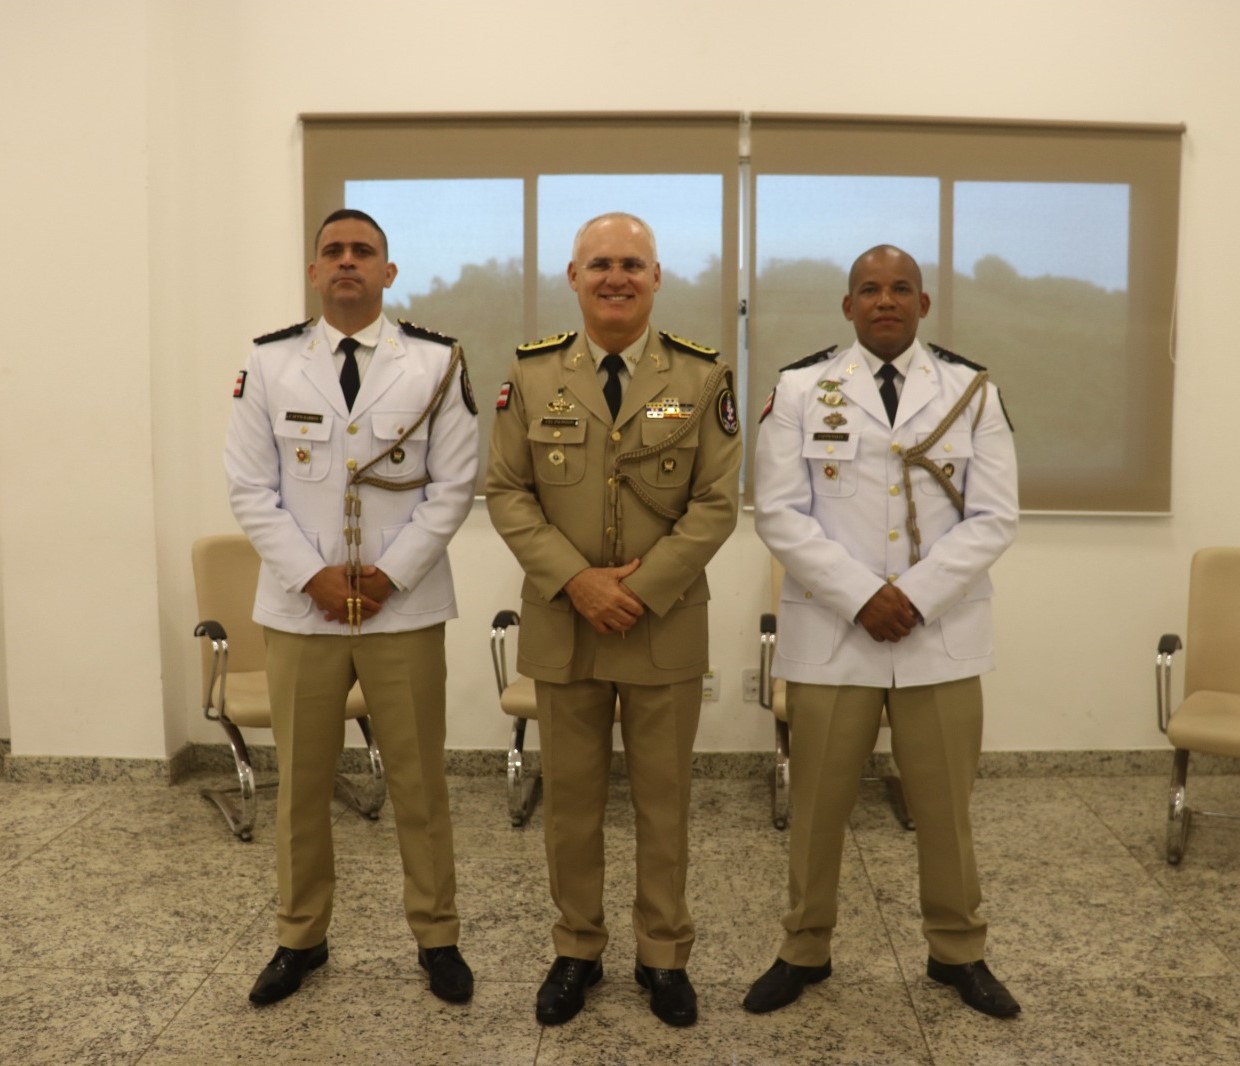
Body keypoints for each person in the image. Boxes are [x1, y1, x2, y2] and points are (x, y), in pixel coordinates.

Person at [745, 244, 1020, 1019]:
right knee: (817, 809)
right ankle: (803, 949)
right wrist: (864, 596)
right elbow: (778, 513)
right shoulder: (801, 389)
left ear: (923, 304)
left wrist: (915, 597)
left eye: (901, 288)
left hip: (939, 637)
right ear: (848, 306)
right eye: (869, 289)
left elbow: (995, 516)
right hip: (836, 636)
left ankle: (957, 951)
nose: (885, 300)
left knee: (947, 810)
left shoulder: (971, 390)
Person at [485, 212, 741, 1028]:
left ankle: (664, 956)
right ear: (574, 277)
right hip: (566, 625)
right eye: (600, 264)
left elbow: (717, 503)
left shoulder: (702, 375)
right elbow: (507, 492)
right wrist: (579, 583)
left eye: (633, 263)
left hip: (663, 624)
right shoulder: (531, 375)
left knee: (664, 804)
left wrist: (641, 587)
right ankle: (577, 949)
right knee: (571, 803)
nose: (616, 277)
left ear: (657, 278)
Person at [224, 208, 478, 1007]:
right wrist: (316, 577)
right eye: (332, 251)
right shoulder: (270, 363)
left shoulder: (436, 362)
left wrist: (388, 576)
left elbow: (454, 487)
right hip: (303, 612)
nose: (346, 262)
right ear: (313, 270)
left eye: (362, 251)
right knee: (300, 786)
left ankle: (437, 938)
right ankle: (300, 937)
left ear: (387, 272)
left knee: (419, 782)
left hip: (404, 609)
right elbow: (249, 489)